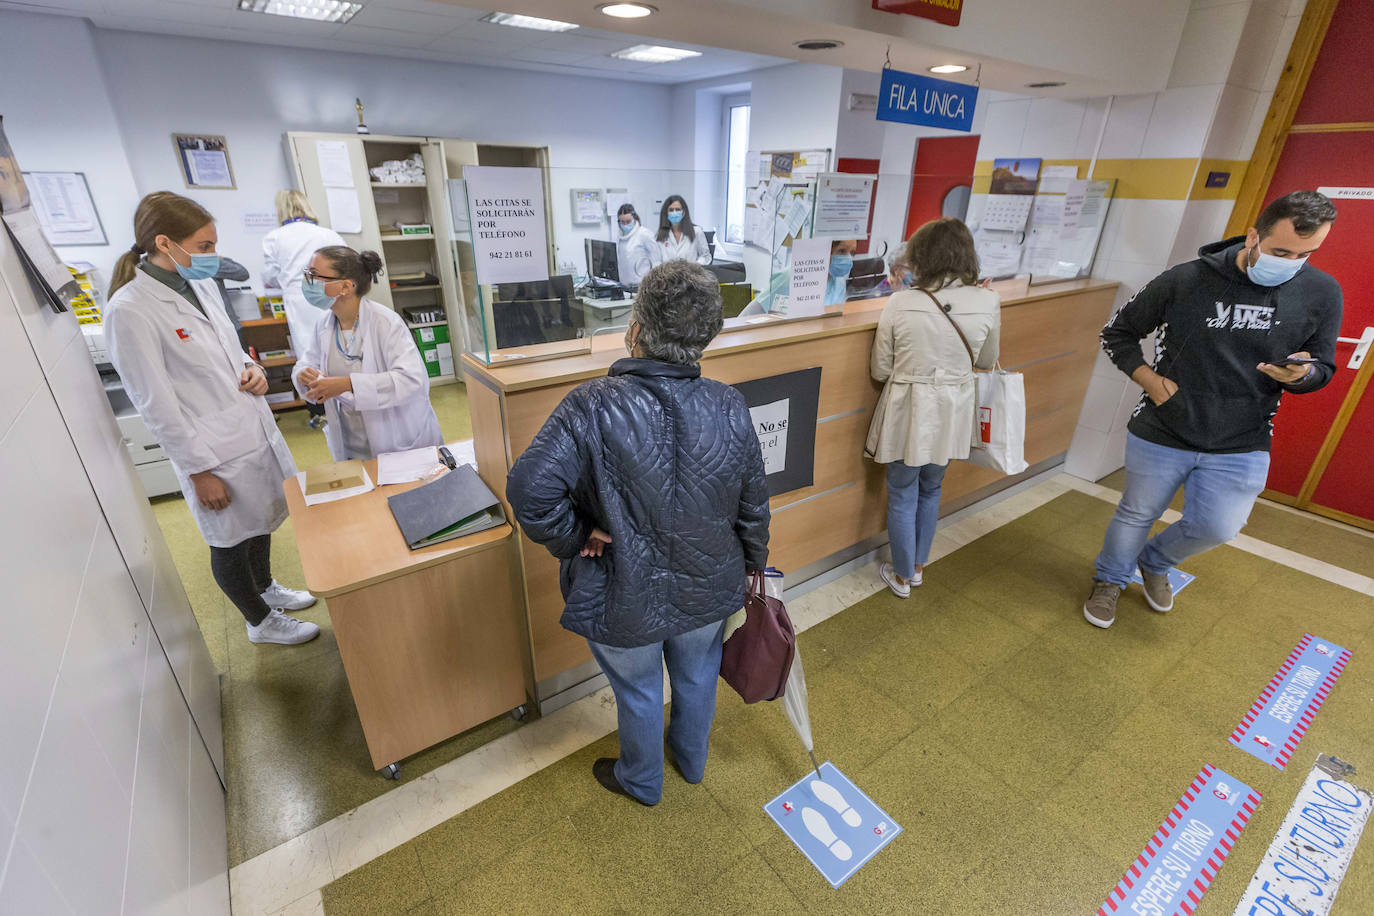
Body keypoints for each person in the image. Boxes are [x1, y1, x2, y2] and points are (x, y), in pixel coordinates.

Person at [507, 260, 770, 807]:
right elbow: (753, 506)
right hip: (709, 581)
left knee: (639, 687)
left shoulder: (591, 405)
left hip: (622, 587)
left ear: (637, 329)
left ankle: (642, 780)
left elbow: (530, 490)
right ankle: (692, 764)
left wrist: (575, 535)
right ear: (706, 336)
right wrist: (753, 564)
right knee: (699, 673)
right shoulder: (729, 403)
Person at [1084, 190, 1343, 629]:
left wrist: (1304, 376)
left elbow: (1324, 365)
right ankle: (1110, 579)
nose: (1292, 261)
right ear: (1254, 237)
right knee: (1136, 513)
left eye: (1306, 253)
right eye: (1281, 251)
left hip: (1244, 437)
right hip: (1164, 427)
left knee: (1219, 527)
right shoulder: (1186, 279)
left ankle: (1155, 561)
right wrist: (1148, 380)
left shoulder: (1321, 292)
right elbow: (1117, 333)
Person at [105, 192, 319, 646]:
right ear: (164, 243)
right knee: (229, 539)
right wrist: (199, 471)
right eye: (204, 247)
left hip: (249, 429)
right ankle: (259, 620)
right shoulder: (129, 310)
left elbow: (230, 348)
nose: (213, 257)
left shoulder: (199, 285)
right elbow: (153, 402)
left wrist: (255, 369)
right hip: (210, 450)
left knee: (260, 519)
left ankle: (266, 588)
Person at [867, 218, 1000, 597]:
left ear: (921, 256)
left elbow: (880, 368)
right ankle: (919, 566)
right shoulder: (988, 300)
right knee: (931, 488)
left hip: (910, 407)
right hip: (955, 406)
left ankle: (903, 575)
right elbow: (986, 360)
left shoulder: (901, 302)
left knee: (903, 492)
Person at [291, 246, 442, 461]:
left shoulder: (386, 323)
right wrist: (303, 375)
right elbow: (306, 362)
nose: (307, 281)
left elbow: (411, 379)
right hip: (351, 440)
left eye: (314, 275)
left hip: (397, 438)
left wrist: (347, 384)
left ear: (346, 286)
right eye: (307, 274)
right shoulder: (324, 325)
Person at [261, 190, 346, 429]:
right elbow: (350, 264)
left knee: (308, 355)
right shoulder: (328, 234)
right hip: (333, 297)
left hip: (300, 301)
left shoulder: (275, 238)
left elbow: (269, 277)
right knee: (339, 348)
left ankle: (319, 410)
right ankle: (343, 400)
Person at [615, 203, 661, 288]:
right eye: (622, 222)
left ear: (634, 219)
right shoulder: (620, 236)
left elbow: (656, 260)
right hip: (625, 285)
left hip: (641, 286)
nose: (625, 225)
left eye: (628, 221)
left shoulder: (644, 234)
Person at [655, 195, 711, 265]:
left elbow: (706, 256)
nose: (674, 213)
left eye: (678, 210)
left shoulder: (696, 232)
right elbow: (656, 260)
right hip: (667, 275)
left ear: (684, 212)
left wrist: (697, 264)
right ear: (666, 213)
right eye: (671, 210)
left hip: (690, 274)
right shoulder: (660, 235)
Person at [826, 239, 857, 306]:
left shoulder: (839, 282)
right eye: (842, 251)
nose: (848, 257)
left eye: (852, 252)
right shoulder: (807, 282)